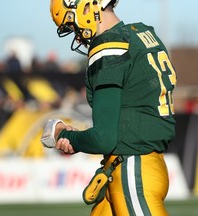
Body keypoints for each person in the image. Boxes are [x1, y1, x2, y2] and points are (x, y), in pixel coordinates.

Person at [48, 0, 177, 215]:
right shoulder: (142, 34)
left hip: (132, 170)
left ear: (87, 7)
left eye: (71, 25)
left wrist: (66, 136)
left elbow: (104, 138)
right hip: (140, 165)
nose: (76, 35)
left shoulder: (108, 45)